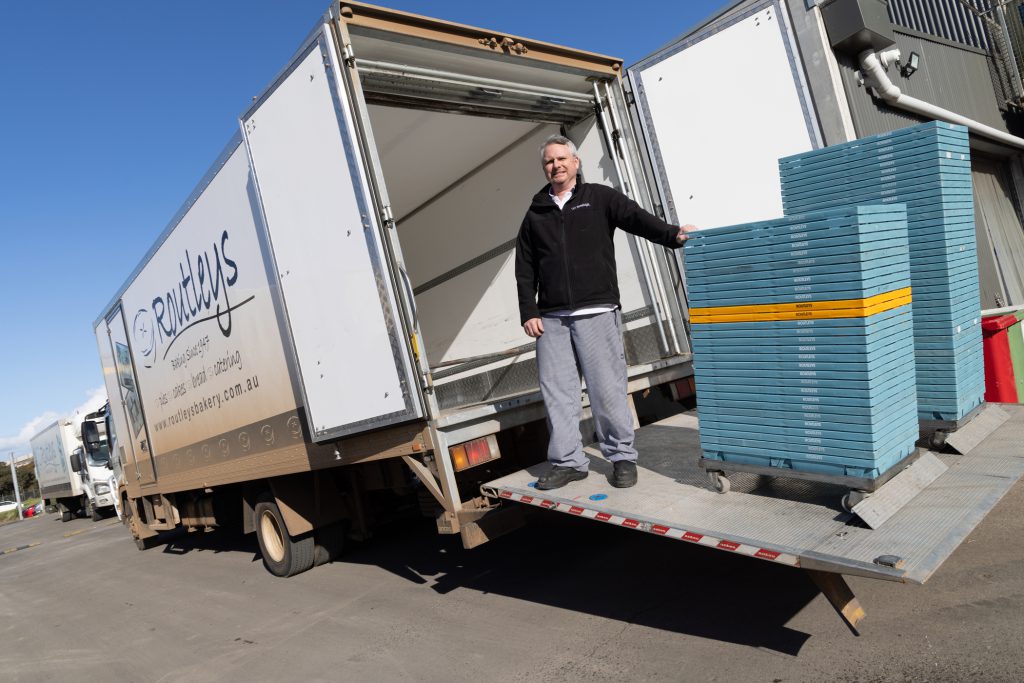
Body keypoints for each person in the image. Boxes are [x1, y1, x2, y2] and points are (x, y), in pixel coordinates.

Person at [515, 135, 693, 491]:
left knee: (606, 388)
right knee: (558, 394)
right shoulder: (536, 212)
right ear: (544, 168)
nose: (556, 165)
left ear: (575, 162)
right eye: (549, 161)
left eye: (562, 158)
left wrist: (673, 234)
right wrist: (528, 311)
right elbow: (525, 266)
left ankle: (622, 457)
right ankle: (568, 462)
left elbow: (637, 219)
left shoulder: (599, 198)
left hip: (596, 309)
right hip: (551, 318)